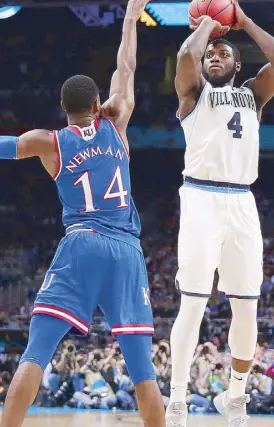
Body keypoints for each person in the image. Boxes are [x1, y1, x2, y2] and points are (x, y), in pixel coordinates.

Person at [0, 0, 166, 426]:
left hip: (81, 243)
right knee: (143, 370)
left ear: (62, 107)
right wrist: (130, 17)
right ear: (98, 102)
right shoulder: (117, 122)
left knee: (36, 351)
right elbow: (125, 68)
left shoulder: (49, 141)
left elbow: (4, 146)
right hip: (126, 250)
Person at [166, 1, 274, 426]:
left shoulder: (253, 94)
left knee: (247, 307)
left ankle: (235, 397)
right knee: (191, 305)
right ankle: (177, 399)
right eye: (212, 53)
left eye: (224, 53)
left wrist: (243, 20)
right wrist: (208, 24)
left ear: (237, 61)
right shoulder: (194, 96)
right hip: (200, 198)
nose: (215, 56)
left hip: (242, 202)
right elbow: (184, 58)